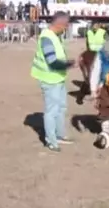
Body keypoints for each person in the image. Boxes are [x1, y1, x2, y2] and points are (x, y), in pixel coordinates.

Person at [30, 11, 76, 152]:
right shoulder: (47, 38)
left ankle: (59, 135)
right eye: (66, 25)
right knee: (51, 111)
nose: (67, 28)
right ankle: (51, 141)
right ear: (60, 24)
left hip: (58, 78)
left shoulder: (55, 36)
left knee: (61, 108)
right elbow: (53, 62)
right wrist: (70, 64)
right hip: (49, 80)